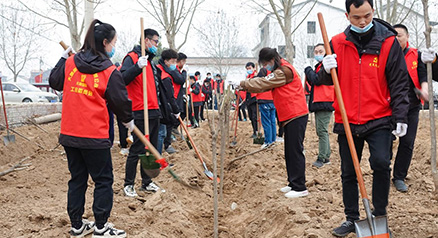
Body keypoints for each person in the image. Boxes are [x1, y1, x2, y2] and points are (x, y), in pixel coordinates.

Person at [317, 1, 410, 236]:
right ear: (347, 15)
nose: (363, 22)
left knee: (381, 163)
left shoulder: (388, 42)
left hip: (379, 116)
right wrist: (325, 69)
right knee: (349, 171)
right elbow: (325, 80)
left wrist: (401, 116)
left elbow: (399, 82)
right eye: (357, 17)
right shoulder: (337, 42)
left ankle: (379, 214)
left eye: (367, 16)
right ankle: (351, 218)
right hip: (347, 118)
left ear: (373, 13)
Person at [49, 19, 129, 237]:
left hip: (70, 135)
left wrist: (64, 59)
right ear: (104, 42)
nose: (114, 47)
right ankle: (101, 227)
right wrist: (128, 120)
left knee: (77, 179)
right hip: (94, 135)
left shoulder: (71, 64)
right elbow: (119, 100)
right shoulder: (109, 70)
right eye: (113, 43)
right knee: (103, 180)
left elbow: (54, 81)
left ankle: (77, 225)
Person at [240, 47, 309, 199]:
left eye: (265, 64)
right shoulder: (279, 70)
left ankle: (300, 186)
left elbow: (264, 83)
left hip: (296, 114)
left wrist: (245, 84)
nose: (265, 67)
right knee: (289, 151)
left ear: (272, 60)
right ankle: (292, 182)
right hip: (289, 115)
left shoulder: (284, 71)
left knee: (295, 150)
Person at [120, 28, 162, 197]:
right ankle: (129, 183)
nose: (156, 45)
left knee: (149, 148)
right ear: (145, 41)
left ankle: (147, 181)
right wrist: (137, 66)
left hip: (152, 109)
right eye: (154, 41)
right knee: (137, 148)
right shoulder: (132, 58)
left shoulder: (151, 62)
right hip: (139, 109)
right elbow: (122, 78)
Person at [391, 24, 429, 192]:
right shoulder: (387, 56)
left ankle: (399, 176)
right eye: (394, 36)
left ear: (407, 37)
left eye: (399, 35)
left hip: (412, 105)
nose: (396, 38)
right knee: (386, 140)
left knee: (407, 142)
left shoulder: (417, 55)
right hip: (390, 105)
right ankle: (383, 171)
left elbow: (423, 76)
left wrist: (424, 90)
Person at [304, 43, 334, 168]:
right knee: (321, 130)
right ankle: (326, 155)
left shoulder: (327, 67)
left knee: (322, 131)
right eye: (315, 52)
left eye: (320, 51)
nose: (317, 54)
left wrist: (307, 70)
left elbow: (316, 79)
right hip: (320, 101)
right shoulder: (319, 66)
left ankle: (322, 157)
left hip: (325, 101)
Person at [156, 49, 181, 154]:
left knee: (161, 131)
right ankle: (158, 156)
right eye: (173, 61)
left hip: (159, 104)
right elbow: (169, 96)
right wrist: (175, 109)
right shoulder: (164, 75)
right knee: (161, 132)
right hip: (160, 105)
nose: (174, 65)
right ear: (166, 61)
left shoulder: (160, 69)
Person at [254, 68, 276, 148]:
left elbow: (255, 83)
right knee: (272, 121)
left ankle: (268, 141)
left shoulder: (261, 78)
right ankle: (273, 140)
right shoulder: (272, 75)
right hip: (273, 100)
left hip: (264, 100)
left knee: (266, 122)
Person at [245, 62, 259, 138]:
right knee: (251, 117)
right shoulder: (248, 76)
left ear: (253, 68)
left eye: (250, 68)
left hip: (255, 98)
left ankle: (257, 131)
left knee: (254, 116)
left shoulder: (256, 76)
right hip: (249, 98)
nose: (248, 70)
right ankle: (254, 131)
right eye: (247, 69)